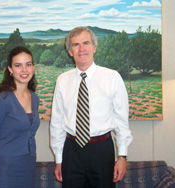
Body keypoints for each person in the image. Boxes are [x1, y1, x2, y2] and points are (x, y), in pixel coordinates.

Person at [50, 26, 133, 188]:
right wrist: (59, 160)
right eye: (75, 45)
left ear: (94, 48)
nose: (81, 49)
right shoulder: (62, 80)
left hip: (102, 151)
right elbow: (57, 122)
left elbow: (122, 121)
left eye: (86, 43)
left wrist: (122, 157)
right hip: (71, 151)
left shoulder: (112, 78)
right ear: (69, 51)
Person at [0, 46, 40, 188]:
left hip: (28, 168)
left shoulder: (34, 98)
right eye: (18, 65)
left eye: (28, 64)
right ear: (10, 69)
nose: (24, 70)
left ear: (33, 67)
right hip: (4, 172)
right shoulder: (3, 100)